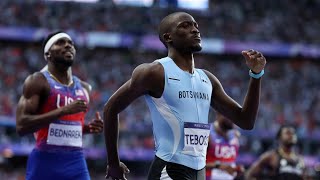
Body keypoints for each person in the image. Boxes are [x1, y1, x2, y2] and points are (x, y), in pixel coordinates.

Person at [103, 12, 266, 180]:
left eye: (195, 25)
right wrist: (113, 164)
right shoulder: (154, 72)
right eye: (185, 26)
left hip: (199, 172)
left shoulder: (207, 79)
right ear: (168, 37)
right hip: (168, 170)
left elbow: (246, 121)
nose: (195, 30)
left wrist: (256, 75)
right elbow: (110, 109)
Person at [16, 31, 103, 180]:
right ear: (48, 54)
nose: (68, 45)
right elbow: (21, 126)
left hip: (76, 162)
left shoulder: (84, 88)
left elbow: (61, 127)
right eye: (60, 43)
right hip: (45, 162)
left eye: (70, 43)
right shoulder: (37, 81)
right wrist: (62, 111)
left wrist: (86, 128)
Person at [206, 112, 244, 180]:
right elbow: (195, 165)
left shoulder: (235, 135)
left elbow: (231, 162)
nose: (233, 119)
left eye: (235, 116)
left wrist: (237, 170)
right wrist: (218, 166)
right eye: (229, 115)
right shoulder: (206, 133)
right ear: (218, 115)